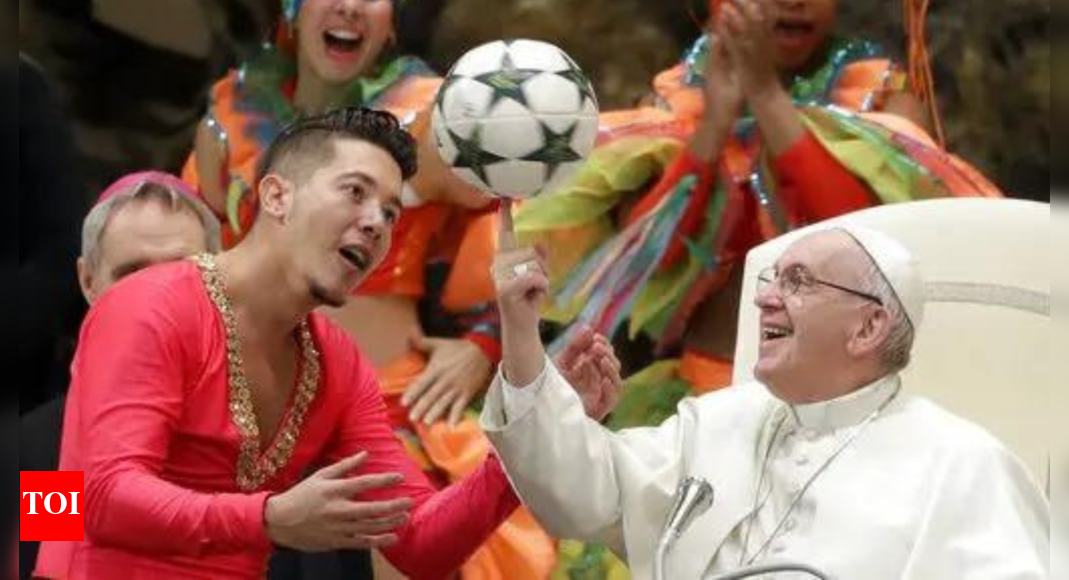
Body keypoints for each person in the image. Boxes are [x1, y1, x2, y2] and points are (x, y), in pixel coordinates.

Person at [31, 109, 615, 580]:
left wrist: (538, 428)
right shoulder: (143, 312)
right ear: (276, 197)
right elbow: (98, 501)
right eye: (355, 192)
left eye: (390, 212)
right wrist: (270, 518)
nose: (376, 222)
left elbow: (420, 543)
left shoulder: (337, 362)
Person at [514, 0, 1003, 429]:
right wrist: (715, 124)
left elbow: (868, 249)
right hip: (708, 393)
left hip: (846, 402)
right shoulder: (674, 102)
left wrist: (767, 96)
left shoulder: (882, 98)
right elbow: (647, 266)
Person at [182, 2, 546, 574]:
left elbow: (528, 225)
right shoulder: (228, 123)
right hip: (234, 420)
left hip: (385, 409)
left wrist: (485, 343)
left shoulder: (434, 118)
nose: (350, 5)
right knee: (55, 501)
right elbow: (79, 515)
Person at [483, 222, 1049, 578]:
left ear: (868, 327)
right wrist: (521, 333)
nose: (765, 300)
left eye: (798, 282)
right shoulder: (721, 421)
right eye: (771, 280)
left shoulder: (960, 464)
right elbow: (581, 491)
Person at [22, 171, 223, 579]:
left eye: (183, 272)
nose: (159, 300)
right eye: (133, 275)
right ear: (89, 282)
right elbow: (54, 561)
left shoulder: (279, 440)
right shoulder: (44, 456)